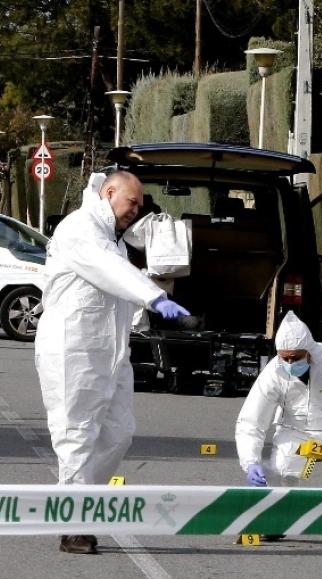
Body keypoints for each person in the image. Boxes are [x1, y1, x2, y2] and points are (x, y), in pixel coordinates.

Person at [35, 170, 189, 555]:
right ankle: (74, 527)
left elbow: (115, 286)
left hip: (110, 355)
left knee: (119, 433)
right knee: (75, 438)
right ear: (108, 192)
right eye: (131, 203)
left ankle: (82, 503)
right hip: (73, 353)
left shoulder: (112, 241)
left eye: (138, 205)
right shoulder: (80, 230)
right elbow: (108, 270)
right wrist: (153, 297)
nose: (134, 211)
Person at [235, 312, 322, 548]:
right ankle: (281, 521)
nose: (290, 364)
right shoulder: (273, 373)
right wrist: (250, 462)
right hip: (295, 427)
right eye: (284, 358)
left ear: (309, 350)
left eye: (296, 358)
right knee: (281, 469)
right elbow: (251, 421)